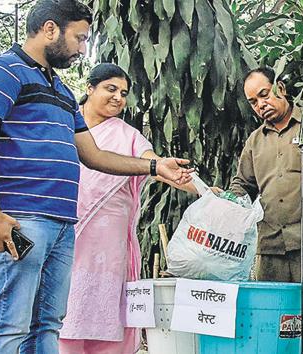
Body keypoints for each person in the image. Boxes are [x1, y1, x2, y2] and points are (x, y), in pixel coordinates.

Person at [0, 1, 192, 353]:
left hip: (63, 225)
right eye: (80, 39)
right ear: (50, 29)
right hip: (22, 219)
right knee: (10, 325)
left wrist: (156, 166)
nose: (83, 49)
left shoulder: (63, 92)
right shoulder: (3, 71)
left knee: (48, 327)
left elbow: (93, 155)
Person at [58, 63, 196, 353]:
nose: (118, 98)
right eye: (111, 89)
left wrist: (206, 191)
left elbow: (156, 165)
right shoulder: (64, 124)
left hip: (110, 245)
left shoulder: (126, 134)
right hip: (67, 235)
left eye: (123, 93)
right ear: (89, 88)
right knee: (64, 316)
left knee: (109, 317)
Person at [228, 67, 302, 282]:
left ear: (280, 88)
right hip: (270, 245)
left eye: (264, 95)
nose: (261, 105)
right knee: (272, 310)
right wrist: (225, 202)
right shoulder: (255, 141)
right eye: (253, 102)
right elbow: (243, 185)